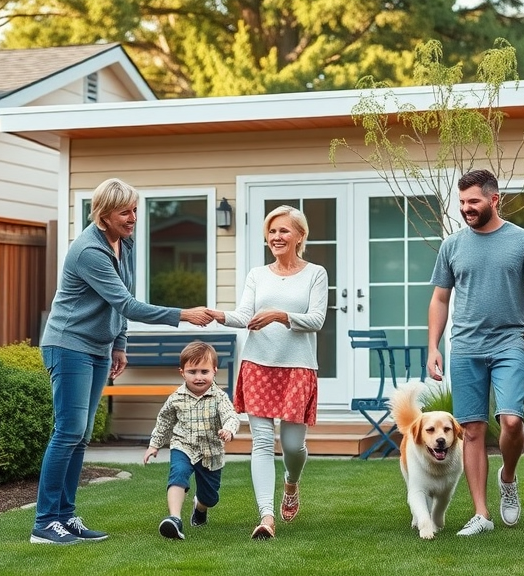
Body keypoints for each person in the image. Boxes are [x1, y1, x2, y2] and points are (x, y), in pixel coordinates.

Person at [31, 177, 213, 545]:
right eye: (125, 211)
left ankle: (65, 518)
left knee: (79, 438)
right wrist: (182, 314)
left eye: (135, 210)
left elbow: (120, 300)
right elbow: (127, 304)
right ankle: (45, 522)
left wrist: (119, 343)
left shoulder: (122, 243)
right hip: (68, 345)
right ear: (103, 214)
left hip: (96, 347)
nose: (133, 218)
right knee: (67, 432)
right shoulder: (89, 251)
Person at [426, 168, 524, 537]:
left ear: (494, 199)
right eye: (462, 202)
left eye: (473, 202)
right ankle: (481, 514)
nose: (466, 208)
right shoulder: (452, 245)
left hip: (508, 342)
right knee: (473, 430)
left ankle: (508, 478)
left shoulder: (523, 240)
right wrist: (434, 345)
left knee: (512, 420)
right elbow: (439, 298)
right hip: (464, 346)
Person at [207, 205, 328, 540]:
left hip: (297, 368)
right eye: (272, 231)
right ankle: (266, 516)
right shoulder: (257, 275)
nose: (276, 236)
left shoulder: (315, 273)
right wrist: (219, 315)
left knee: (292, 446)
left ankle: (292, 482)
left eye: (284, 231)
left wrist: (277, 315)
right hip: (258, 365)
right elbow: (245, 313)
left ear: (300, 236)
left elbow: (317, 320)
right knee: (261, 442)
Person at [143, 340, 240, 540]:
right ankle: (174, 519)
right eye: (192, 372)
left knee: (210, 497)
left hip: (210, 452)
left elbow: (231, 415)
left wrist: (228, 430)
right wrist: (154, 444)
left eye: (204, 372)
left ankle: (200, 507)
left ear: (214, 371)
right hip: (183, 445)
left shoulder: (219, 397)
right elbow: (164, 421)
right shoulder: (176, 397)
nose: (198, 377)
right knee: (178, 474)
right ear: (182, 372)